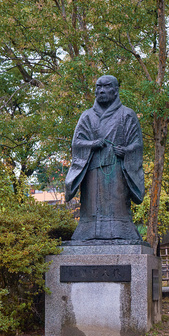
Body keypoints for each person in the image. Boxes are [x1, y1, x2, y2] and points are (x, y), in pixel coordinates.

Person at [65, 75, 144, 242]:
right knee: (91, 206)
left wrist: (126, 151)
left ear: (115, 91)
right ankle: (87, 231)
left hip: (117, 170)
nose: (101, 90)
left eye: (106, 86)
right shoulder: (87, 116)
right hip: (92, 171)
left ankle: (121, 230)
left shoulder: (127, 114)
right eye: (98, 87)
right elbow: (77, 143)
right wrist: (93, 144)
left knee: (117, 205)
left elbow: (137, 144)